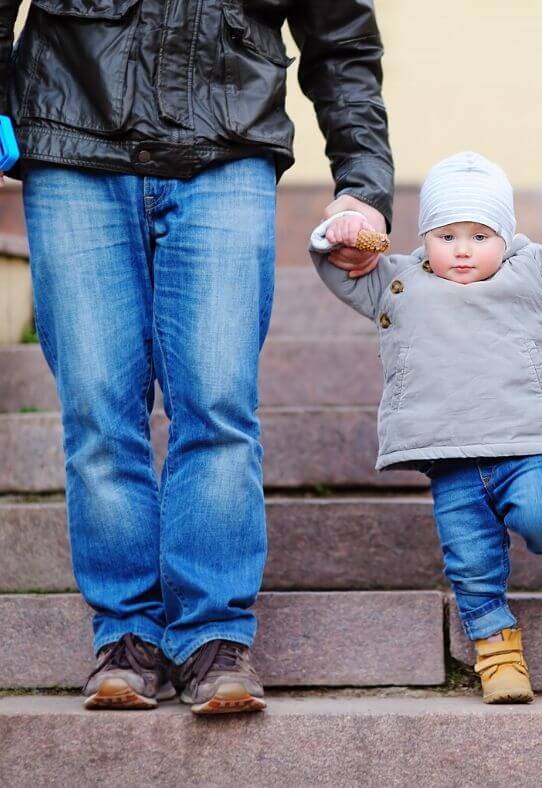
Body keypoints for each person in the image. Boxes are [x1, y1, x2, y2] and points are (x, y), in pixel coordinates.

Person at [2, 0, 393, 714]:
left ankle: (213, 637)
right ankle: (125, 636)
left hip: (227, 146)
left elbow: (341, 39)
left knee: (216, 401)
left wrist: (362, 184)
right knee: (96, 404)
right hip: (70, 137)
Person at [309, 151, 542, 703]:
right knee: (470, 559)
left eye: (479, 235)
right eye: (445, 236)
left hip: (527, 442)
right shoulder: (398, 281)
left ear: (506, 237)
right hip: (449, 457)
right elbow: (334, 266)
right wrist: (339, 232)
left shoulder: (538, 273)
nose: (462, 249)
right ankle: (497, 650)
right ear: (425, 240)